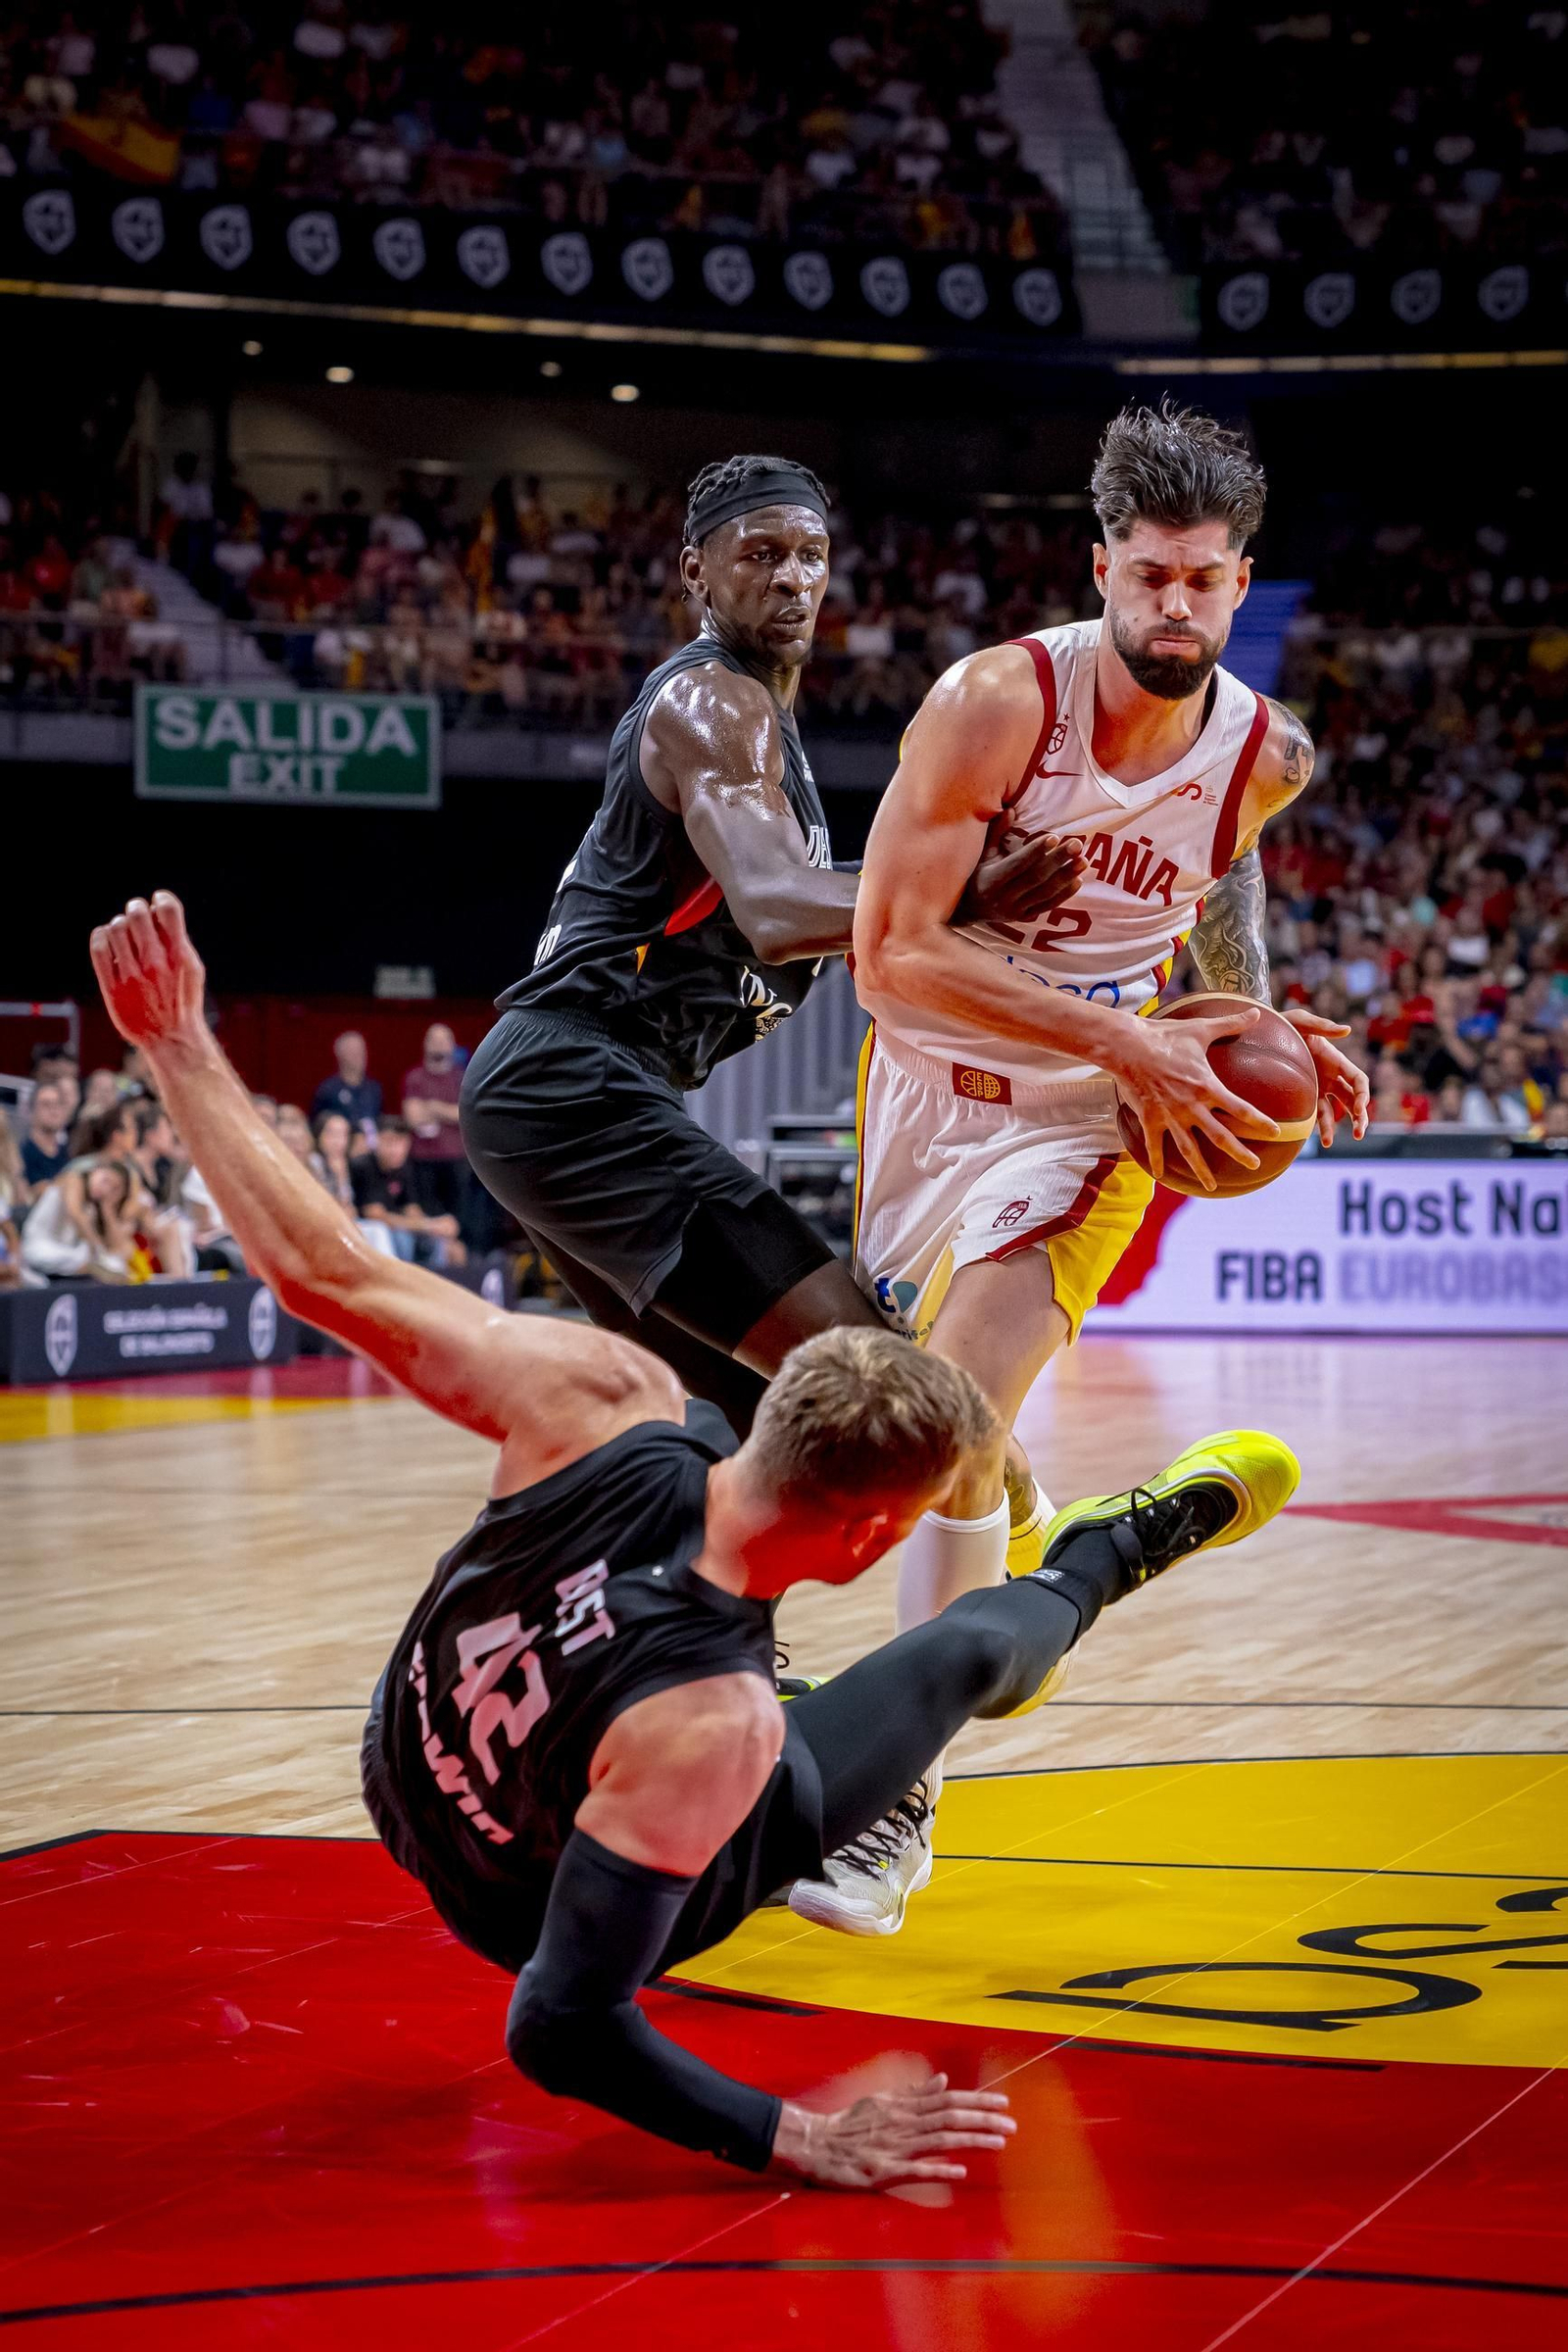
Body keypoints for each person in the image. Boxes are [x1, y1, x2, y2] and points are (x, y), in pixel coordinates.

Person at [90, 890, 1298, 2184]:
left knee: (687, 1649)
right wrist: (798, 2139)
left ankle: (1068, 1552)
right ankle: (1107, 1551)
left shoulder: (599, 1401)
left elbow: (328, 1272)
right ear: (863, 1541)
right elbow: (559, 2024)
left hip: (396, 1758)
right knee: (961, 1651)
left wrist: (174, 1045)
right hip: (514, 1901)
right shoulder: (716, 1727)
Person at [816, 400, 1371, 1935]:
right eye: (1148, 575)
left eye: (1204, 578)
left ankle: (890, 1806)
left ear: (1240, 582)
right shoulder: (997, 704)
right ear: (1104, 565)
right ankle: (1079, 1551)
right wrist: (1130, 1037)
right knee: (903, 1430)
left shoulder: (1270, 750)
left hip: (1095, 1112)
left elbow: (1225, 852)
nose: (1174, 604)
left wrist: (1237, 1017)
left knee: (945, 1423)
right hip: (928, 1077)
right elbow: (890, 960)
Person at [461, 453, 1082, 1482]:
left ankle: (666, 1632)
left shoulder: (768, 737)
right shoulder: (713, 703)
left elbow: (819, 900)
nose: (792, 578)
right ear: (695, 574)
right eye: (760, 555)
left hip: (558, 1100)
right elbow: (778, 909)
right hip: (570, 1086)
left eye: (810, 556)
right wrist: (964, 893)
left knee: (741, 1421)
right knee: (874, 1383)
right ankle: (1059, 1562)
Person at [352, 1113, 466, 1266]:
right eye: (389, 1142)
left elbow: (411, 1209)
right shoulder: (364, 1166)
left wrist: (438, 1227)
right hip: (367, 1230)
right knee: (402, 1238)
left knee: (439, 1242)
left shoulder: (404, 1167)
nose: (395, 1150)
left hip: (398, 1226)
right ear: (376, 1140)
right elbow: (375, 1215)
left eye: (401, 1142)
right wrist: (429, 1225)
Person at [312, 1030, 381, 1140]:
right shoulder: (328, 1090)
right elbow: (317, 1126)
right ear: (340, 1055)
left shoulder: (374, 1089)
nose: (359, 1056)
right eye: (352, 1052)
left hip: (372, 1150)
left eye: (361, 1051)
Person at [20, 1079, 72, 1201]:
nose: (54, 1110)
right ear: (31, 1110)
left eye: (59, 1104)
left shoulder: (69, 1152)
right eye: (46, 1104)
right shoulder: (22, 1152)